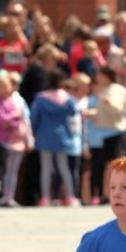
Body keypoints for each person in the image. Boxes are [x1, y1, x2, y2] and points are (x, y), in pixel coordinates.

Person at [83, 65, 126, 205]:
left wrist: (111, 104)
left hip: (114, 131)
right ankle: (105, 194)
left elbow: (123, 105)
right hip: (105, 133)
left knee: (112, 165)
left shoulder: (114, 90)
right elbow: (102, 112)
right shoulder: (105, 91)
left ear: (105, 76)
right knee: (107, 165)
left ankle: (110, 194)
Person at [30, 70, 80, 206]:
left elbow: (34, 117)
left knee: (46, 168)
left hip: (44, 136)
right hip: (62, 136)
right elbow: (74, 112)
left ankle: (45, 197)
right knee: (64, 167)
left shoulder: (40, 98)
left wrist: (34, 131)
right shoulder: (67, 97)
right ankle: (70, 196)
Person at [0, 69, 31, 207]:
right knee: (1, 169)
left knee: (11, 170)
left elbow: (21, 119)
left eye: (7, 86)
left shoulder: (12, 101)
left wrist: (15, 120)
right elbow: (3, 121)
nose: (6, 89)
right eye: (2, 86)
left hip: (10, 140)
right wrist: (15, 116)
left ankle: (8, 197)